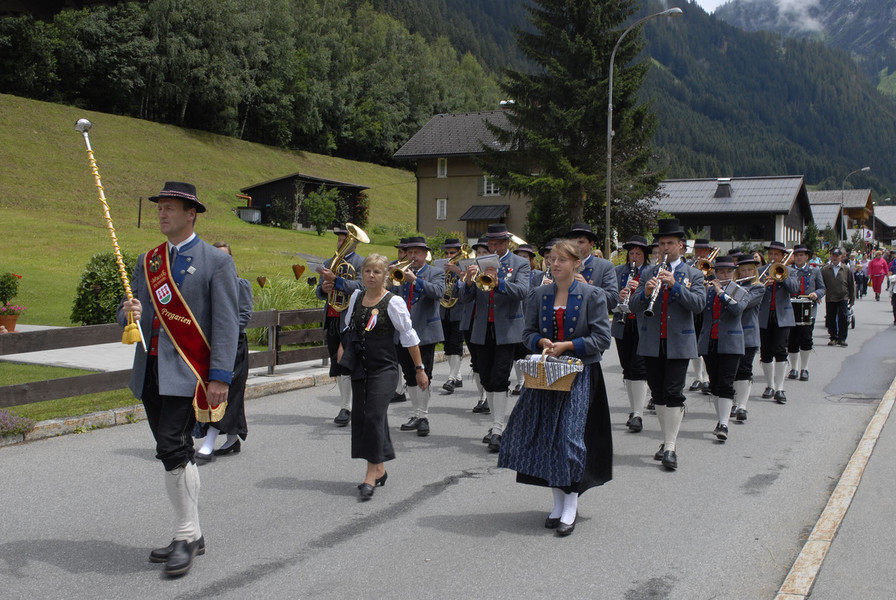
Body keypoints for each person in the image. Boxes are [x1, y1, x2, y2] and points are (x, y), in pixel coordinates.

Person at [117, 181, 239, 577]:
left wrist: (220, 376)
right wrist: (129, 311)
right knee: (174, 450)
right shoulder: (148, 260)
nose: (163, 214)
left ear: (192, 214)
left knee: (172, 445)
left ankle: (185, 535)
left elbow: (226, 323)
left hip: (189, 371)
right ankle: (193, 533)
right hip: (150, 369)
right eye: (160, 208)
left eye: (171, 208)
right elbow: (130, 316)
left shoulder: (215, 262)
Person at [498, 239, 613, 537]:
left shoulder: (593, 295)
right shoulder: (539, 294)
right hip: (545, 374)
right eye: (552, 258)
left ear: (577, 263)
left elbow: (602, 339)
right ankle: (557, 502)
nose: (555, 264)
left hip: (579, 374)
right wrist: (542, 342)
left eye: (562, 259)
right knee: (546, 436)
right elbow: (527, 334)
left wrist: (570, 345)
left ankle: (571, 502)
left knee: (569, 438)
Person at [338, 254, 428, 501]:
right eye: (367, 271)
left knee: (374, 415)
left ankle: (370, 475)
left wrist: (419, 368)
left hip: (385, 368)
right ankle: (380, 468)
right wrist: (342, 349)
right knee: (363, 417)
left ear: (385, 276)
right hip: (360, 367)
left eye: (377, 272)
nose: (371, 276)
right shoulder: (356, 297)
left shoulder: (393, 302)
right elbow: (349, 327)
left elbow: (409, 337)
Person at [629, 218, 706, 470]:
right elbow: (633, 306)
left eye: (670, 243)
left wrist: (675, 287)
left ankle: (671, 447)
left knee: (674, 393)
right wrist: (646, 293)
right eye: (662, 244)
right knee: (659, 394)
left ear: (681, 246)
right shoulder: (648, 273)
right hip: (652, 342)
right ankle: (666, 439)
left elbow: (698, 305)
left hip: (679, 342)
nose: (665, 248)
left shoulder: (693, 274)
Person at [461, 223, 530, 452]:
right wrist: (469, 281)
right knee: (488, 378)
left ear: (507, 243)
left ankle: (498, 428)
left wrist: (499, 282)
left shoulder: (519, 263)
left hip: (507, 329)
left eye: (498, 243)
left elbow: (522, 292)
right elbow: (465, 299)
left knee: (500, 377)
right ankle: (495, 423)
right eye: (491, 243)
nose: (494, 247)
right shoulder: (478, 262)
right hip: (482, 328)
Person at [194, 242, 252, 461]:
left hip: (233, 347)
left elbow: (244, 315)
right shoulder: (205, 285)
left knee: (228, 393)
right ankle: (232, 439)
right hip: (209, 347)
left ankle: (211, 439)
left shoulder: (240, 284)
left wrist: (223, 331)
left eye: (224, 257)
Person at [392, 237, 444, 437]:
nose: (412, 256)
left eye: (417, 252)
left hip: (425, 332)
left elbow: (438, 292)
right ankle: (416, 413)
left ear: (425, 254)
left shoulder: (435, 272)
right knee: (409, 374)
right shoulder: (399, 273)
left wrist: (415, 280)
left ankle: (423, 416)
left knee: (424, 373)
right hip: (402, 332)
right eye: (410, 252)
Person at [316, 226, 364, 425]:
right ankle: (347, 404)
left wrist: (336, 281)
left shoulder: (361, 263)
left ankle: (347, 407)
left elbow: (362, 286)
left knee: (345, 360)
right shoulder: (329, 262)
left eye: (346, 240)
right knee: (337, 364)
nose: (341, 243)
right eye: (339, 240)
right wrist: (324, 288)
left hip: (350, 318)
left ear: (354, 243)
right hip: (333, 316)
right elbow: (319, 292)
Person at [697, 255, 746, 441]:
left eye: (728, 271)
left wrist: (721, 293)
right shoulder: (708, 290)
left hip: (731, 343)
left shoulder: (739, 290)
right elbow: (698, 310)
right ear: (715, 273)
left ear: (733, 273)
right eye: (721, 271)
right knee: (715, 383)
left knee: (726, 383)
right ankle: (720, 419)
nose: (724, 274)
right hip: (710, 340)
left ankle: (724, 423)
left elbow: (737, 310)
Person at [612, 235, 652, 433]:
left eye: (638, 253)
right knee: (627, 368)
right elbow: (609, 297)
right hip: (623, 323)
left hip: (643, 324)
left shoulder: (650, 272)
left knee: (638, 368)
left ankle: (638, 414)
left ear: (645, 255)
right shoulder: (619, 271)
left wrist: (642, 291)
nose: (634, 257)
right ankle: (633, 408)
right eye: (631, 253)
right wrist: (619, 294)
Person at [757, 241, 799, 404]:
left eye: (776, 254)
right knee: (766, 352)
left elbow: (794, 289)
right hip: (764, 316)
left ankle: (780, 388)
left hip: (783, 316)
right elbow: (754, 291)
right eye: (771, 254)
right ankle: (770, 385)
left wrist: (782, 277)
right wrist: (763, 284)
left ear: (782, 256)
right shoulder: (761, 271)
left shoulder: (791, 271)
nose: (773, 257)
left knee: (781, 350)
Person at [732, 257, 765, 422]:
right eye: (743, 270)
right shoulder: (732, 285)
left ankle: (742, 406)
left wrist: (728, 290)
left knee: (744, 370)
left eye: (749, 270)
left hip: (748, 334)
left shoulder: (758, 288)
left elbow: (743, 303)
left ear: (755, 272)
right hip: (731, 334)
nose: (746, 273)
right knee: (732, 370)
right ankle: (733, 401)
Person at [786, 244, 825, 382]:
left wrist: (816, 294)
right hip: (791, 308)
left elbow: (822, 288)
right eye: (796, 255)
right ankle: (794, 368)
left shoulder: (814, 271)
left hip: (808, 309)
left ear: (806, 257)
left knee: (806, 339)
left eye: (801, 255)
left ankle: (805, 368)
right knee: (792, 339)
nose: (798, 258)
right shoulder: (788, 270)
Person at [511, 243, 543, 395]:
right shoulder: (512, 272)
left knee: (529, 350)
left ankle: (530, 380)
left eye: (525, 256)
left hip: (531, 315)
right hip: (517, 315)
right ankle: (520, 382)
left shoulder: (537, 275)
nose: (521, 259)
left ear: (530, 260)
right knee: (517, 352)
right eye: (519, 256)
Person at [563, 223, 618, 311]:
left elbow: (613, 300)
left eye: (581, 242)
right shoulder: (562, 265)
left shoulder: (605, 266)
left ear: (591, 244)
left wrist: (587, 287)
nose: (576, 245)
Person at [465, 236, 491, 415]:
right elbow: (464, 297)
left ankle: (489, 397)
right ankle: (482, 395)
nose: (480, 256)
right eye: (478, 253)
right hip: (470, 321)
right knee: (476, 361)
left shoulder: (493, 272)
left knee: (487, 362)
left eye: (484, 253)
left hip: (485, 322)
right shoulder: (472, 271)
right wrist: (466, 280)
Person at [439, 238, 466, 394]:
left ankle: (451, 378)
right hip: (444, 309)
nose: (449, 255)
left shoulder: (464, 266)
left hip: (460, 309)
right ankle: (458, 376)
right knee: (447, 345)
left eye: (452, 253)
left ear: (459, 253)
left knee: (456, 343)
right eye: (447, 253)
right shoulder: (443, 269)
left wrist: (458, 271)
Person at [688, 239, 713, 394]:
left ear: (709, 251)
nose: (700, 253)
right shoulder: (690, 266)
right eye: (698, 250)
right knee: (695, 344)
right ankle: (699, 377)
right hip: (695, 309)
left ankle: (708, 379)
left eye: (703, 250)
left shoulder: (714, 266)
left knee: (707, 344)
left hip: (710, 310)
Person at [820, 248, 855, 347]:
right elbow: (820, 284)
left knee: (843, 317)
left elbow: (851, 285)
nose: (835, 257)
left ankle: (842, 338)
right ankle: (833, 337)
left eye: (837, 256)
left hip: (843, 297)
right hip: (831, 297)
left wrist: (852, 299)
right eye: (833, 255)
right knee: (830, 318)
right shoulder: (825, 269)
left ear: (841, 257)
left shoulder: (846, 269)